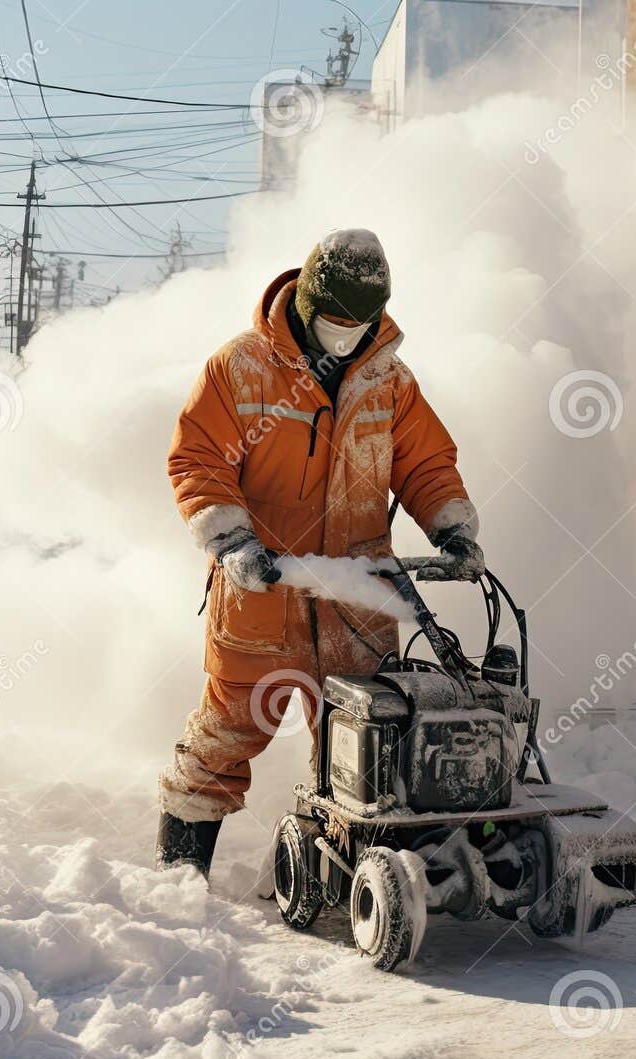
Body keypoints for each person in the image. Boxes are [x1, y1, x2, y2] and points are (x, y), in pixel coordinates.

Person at [160, 228, 484, 875]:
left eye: (359, 322)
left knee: (365, 746)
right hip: (263, 593)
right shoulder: (241, 367)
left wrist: (451, 526)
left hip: (356, 599)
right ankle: (181, 875)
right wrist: (231, 542)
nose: (347, 333)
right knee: (226, 737)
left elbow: (425, 462)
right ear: (307, 306)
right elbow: (198, 459)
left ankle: (337, 867)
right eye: (335, 321)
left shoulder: (389, 382)